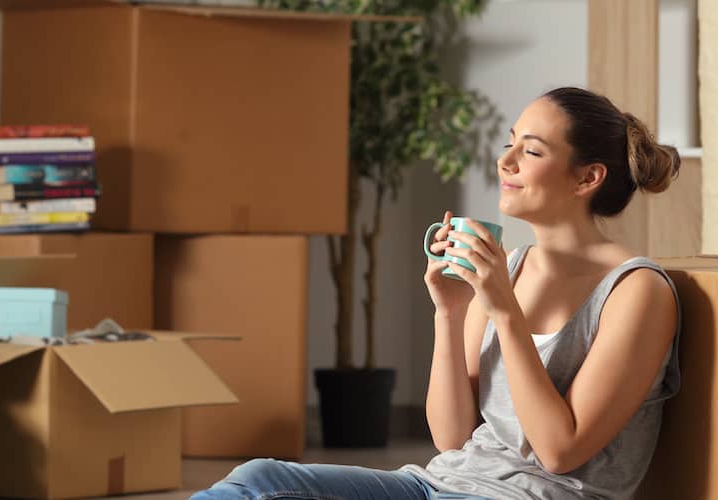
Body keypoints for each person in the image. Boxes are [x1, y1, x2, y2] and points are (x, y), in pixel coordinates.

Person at [190, 86, 683, 500]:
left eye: (530, 151)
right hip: (442, 485)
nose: (504, 161)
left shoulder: (636, 291)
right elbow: (452, 440)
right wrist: (449, 312)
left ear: (587, 177)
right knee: (260, 481)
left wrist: (504, 312)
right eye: (509, 143)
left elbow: (559, 452)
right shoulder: (508, 270)